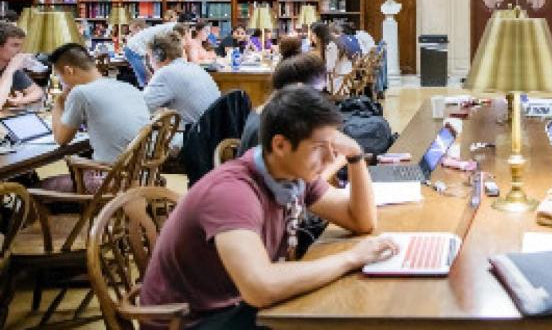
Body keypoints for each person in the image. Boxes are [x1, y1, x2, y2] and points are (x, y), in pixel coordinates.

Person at [139, 85, 395, 328]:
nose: (330, 158)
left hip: (236, 303)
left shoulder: (292, 176)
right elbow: (261, 288)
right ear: (280, 145)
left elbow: (360, 220)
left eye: (333, 145)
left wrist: (355, 155)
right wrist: (351, 258)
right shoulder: (232, 193)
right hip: (194, 320)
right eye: (319, 148)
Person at [44, 43, 151, 192]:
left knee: (35, 188)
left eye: (60, 77)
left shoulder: (81, 93)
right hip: (143, 175)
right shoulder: (128, 87)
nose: (62, 82)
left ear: (69, 70)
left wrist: (59, 101)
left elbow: (61, 139)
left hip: (112, 181)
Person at [143, 31, 220, 127]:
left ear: (159, 56)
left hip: (193, 137)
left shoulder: (166, 73)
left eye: (149, 57)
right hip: (213, 134)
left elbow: (141, 108)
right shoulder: (195, 68)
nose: (149, 63)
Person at [0, 22, 43, 108]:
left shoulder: (10, 67)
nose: (20, 50)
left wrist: (20, 101)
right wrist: (10, 70)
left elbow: (37, 91)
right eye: (15, 45)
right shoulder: (11, 67)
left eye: (21, 45)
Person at [125, 18, 177, 87]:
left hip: (144, 57)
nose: (131, 34)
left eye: (132, 31)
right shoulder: (148, 36)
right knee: (146, 78)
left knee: (146, 79)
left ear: (138, 28)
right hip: (142, 56)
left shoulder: (145, 38)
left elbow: (149, 57)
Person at [311, 21, 351, 94]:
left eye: (313, 35)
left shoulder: (331, 46)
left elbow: (329, 67)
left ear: (319, 35)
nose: (311, 37)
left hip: (338, 81)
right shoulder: (333, 42)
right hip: (340, 77)